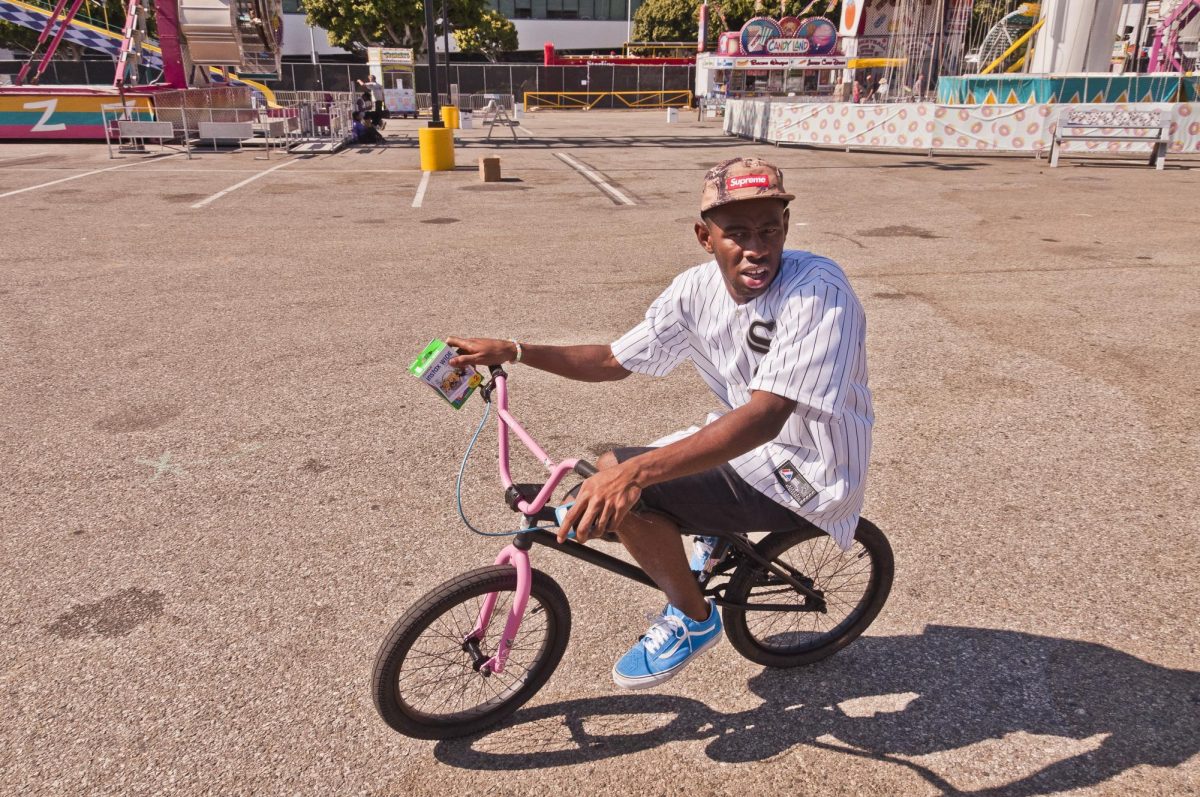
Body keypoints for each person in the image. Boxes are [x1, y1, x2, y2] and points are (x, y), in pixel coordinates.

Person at [448, 157, 873, 690]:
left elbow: (767, 417)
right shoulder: (694, 291)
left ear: (787, 226)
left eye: (769, 230)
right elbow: (612, 361)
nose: (757, 248)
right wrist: (514, 350)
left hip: (809, 468)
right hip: (744, 446)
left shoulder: (819, 291)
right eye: (736, 233)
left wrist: (635, 477)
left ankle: (693, 619)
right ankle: (712, 532)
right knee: (611, 469)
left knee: (630, 489)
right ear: (704, 236)